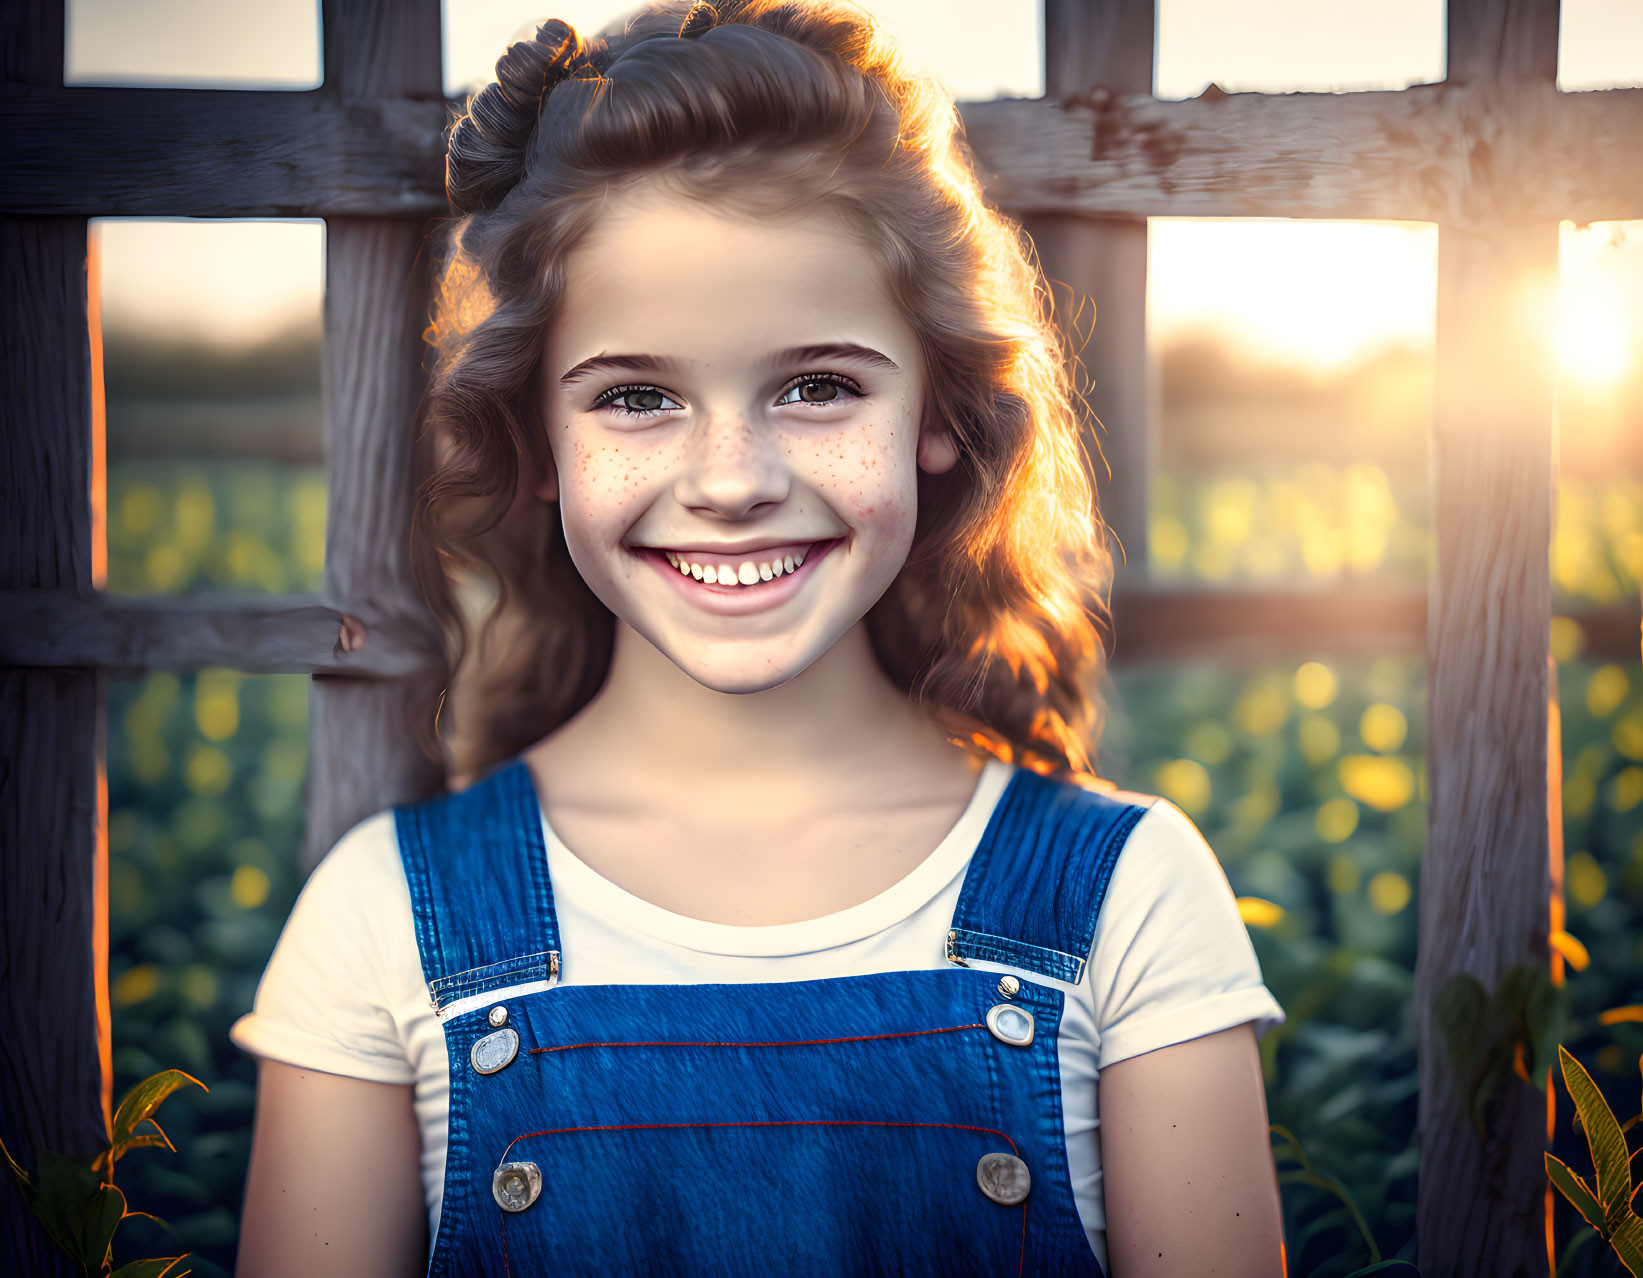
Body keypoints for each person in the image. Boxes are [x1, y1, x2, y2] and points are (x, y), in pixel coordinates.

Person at [232, 2, 1287, 1274]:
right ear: (539, 448)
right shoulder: (386, 916)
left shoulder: (1124, 896)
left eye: (816, 386)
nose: (729, 480)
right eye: (637, 397)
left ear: (935, 417)